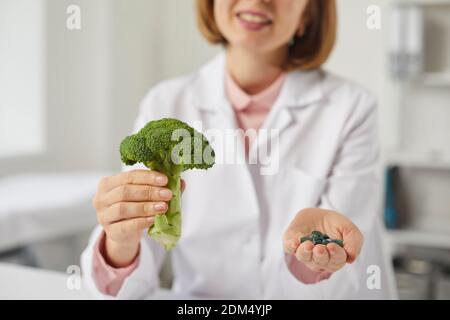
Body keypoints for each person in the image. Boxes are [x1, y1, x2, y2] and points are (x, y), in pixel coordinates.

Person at [81, 0, 397, 299]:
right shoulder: (164, 103)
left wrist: (313, 257)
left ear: (307, 15)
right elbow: (130, 284)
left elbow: (342, 271)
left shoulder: (352, 108)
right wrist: (120, 242)